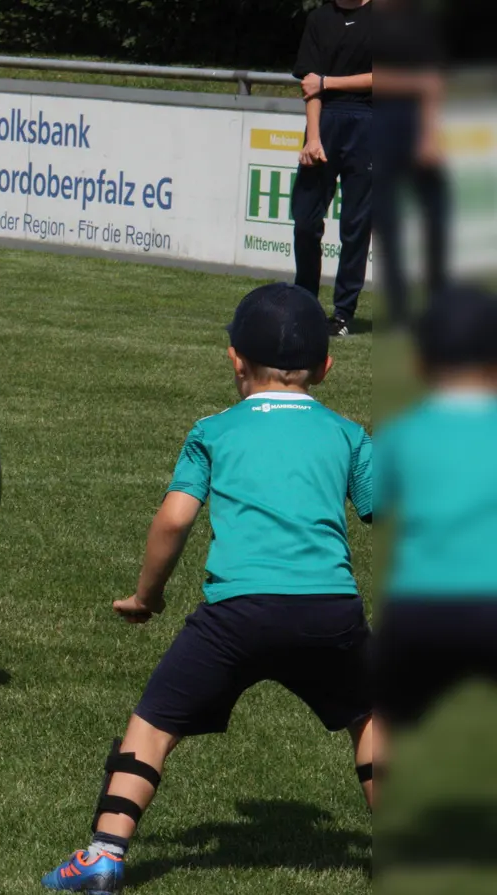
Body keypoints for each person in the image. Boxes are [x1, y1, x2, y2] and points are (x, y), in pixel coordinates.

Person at [40, 283, 376, 895]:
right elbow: (386, 508)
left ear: (234, 360)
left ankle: (105, 854)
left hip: (236, 617)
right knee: (372, 714)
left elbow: (174, 519)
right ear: (326, 368)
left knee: (154, 724)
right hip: (329, 611)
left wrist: (147, 597)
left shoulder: (213, 431)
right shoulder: (347, 434)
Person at [373, 284, 497, 770]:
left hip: (418, 607)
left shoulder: (404, 432)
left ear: (420, 364)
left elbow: (375, 502)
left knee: (380, 716)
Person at [292, 0, 374, 337]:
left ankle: (343, 313)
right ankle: (305, 302)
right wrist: (313, 138)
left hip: (370, 122)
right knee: (305, 220)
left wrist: (328, 82)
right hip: (324, 123)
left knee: (356, 223)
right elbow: (310, 85)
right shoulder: (319, 19)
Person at [372, 0, 448, 331]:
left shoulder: (421, 21)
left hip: (417, 123)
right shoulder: (367, 21)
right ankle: (400, 310)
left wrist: (429, 136)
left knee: (438, 214)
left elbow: (434, 82)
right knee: (387, 224)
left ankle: (439, 302)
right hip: (380, 123)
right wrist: (413, 84)